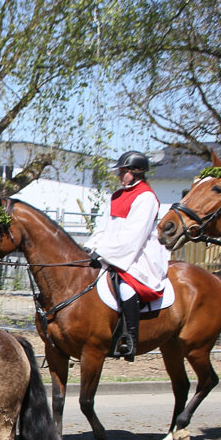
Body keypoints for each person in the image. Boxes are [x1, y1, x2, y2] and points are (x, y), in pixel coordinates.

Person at [85, 150, 170, 360]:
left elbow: (134, 236)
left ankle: (129, 338)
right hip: (112, 253)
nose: (118, 175)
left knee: (125, 287)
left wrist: (104, 252)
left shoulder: (146, 197)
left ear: (137, 171)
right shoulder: (117, 195)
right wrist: (91, 247)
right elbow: (102, 227)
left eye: (122, 171)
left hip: (138, 257)